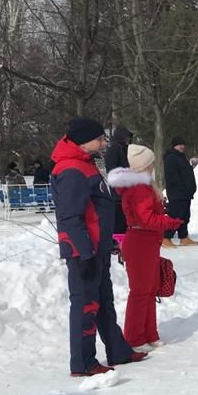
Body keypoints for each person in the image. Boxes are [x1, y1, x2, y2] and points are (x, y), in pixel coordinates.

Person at [51, 117, 147, 376]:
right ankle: (83, 362)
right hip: (84, 252)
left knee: (104, 301)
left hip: (98, 248)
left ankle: (118, 350)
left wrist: (107, 243)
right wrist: (84, 253)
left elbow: (96, 211)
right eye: (99, 138)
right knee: (86, 305)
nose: (104, 142)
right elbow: (70, 218)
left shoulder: (87, 164)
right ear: (83, 141)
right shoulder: (72, 169)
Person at [106, 144, 183, 351]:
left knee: (149, 290)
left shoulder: (143, 186)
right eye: (151, 163)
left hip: (147, 242)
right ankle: (134, 337)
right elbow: (146, 218)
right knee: (140, 292)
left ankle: (149, 333)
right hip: (140, 242)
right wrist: (169, 222)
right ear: (147, 165)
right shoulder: (139, 189)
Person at [163, 136, 198, 248]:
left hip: (185, 194)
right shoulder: (171, 158)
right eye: (179, 144)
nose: (182, 146)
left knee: (185, 216)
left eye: (183, 144)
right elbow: (172, 176)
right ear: (174, 145)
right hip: (177, 194)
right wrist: (183, 187)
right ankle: (166, 237)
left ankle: (184, 237)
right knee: (175, 216)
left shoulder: (181, 157)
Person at [104, 125, 133, 237]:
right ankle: (116, 240)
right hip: (118, 191)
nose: (128, 140)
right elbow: (112, 170)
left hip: (127, 189)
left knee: (125, 217)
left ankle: (124, 236)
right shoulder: (113, 150)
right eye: (126, 137)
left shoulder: (125, 149)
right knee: (119, 217)